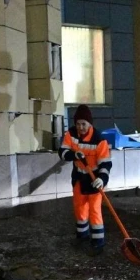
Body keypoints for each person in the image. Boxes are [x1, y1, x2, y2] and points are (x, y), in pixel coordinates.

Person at [58, 105, 112, 254]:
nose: (80, 127)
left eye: (84, 124)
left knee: (94, 210)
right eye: (78, 124)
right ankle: (82, 236)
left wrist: (102, 179)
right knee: (80, 208)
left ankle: (98, 242)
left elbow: (106, 163)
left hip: (94, 180)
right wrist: (73, 155)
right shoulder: (71, 134)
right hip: (79, 178)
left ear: (90, 123)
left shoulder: (99, 140)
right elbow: (62, 152)